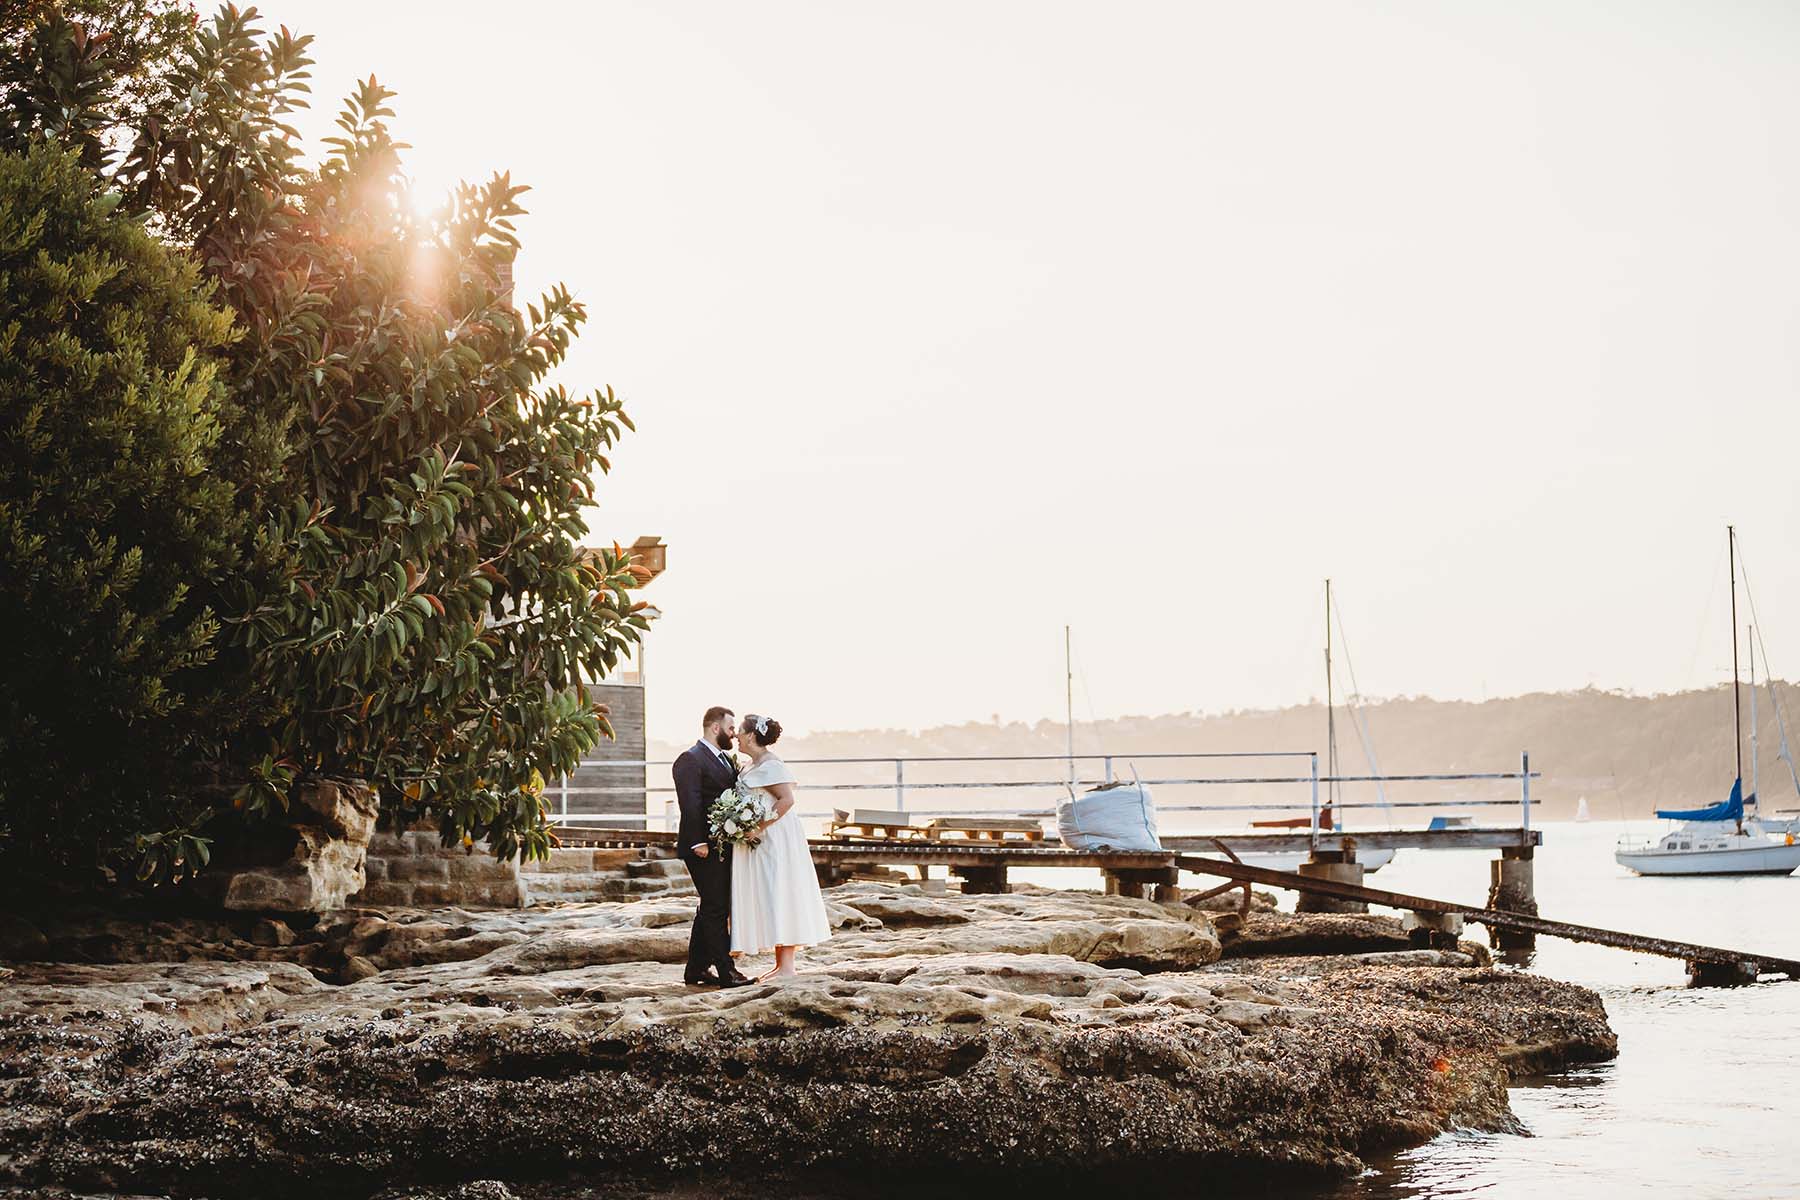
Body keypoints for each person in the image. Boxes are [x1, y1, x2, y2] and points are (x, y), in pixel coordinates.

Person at [729, 713, 832, 980]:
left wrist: (756, 828)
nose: (736, 735)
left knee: (781, 890)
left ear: (751, 735)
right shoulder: (751, 764)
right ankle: (779, 964)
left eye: (739, 730)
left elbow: (786, 800)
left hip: (775, 838)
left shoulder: (771, 764)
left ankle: (787, 967)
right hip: (762, 840)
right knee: (770, 892)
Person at [670, 706, 753, 988]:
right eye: (731, 728)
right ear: (715, 728)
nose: (734, 733)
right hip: (702, 847)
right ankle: (726, 971)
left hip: (722, 845)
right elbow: (690, 804)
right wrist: (698, 841)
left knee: (713, 906)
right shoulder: (690, 759)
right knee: (716, 908)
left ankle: (696, 969)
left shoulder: (724, 760)